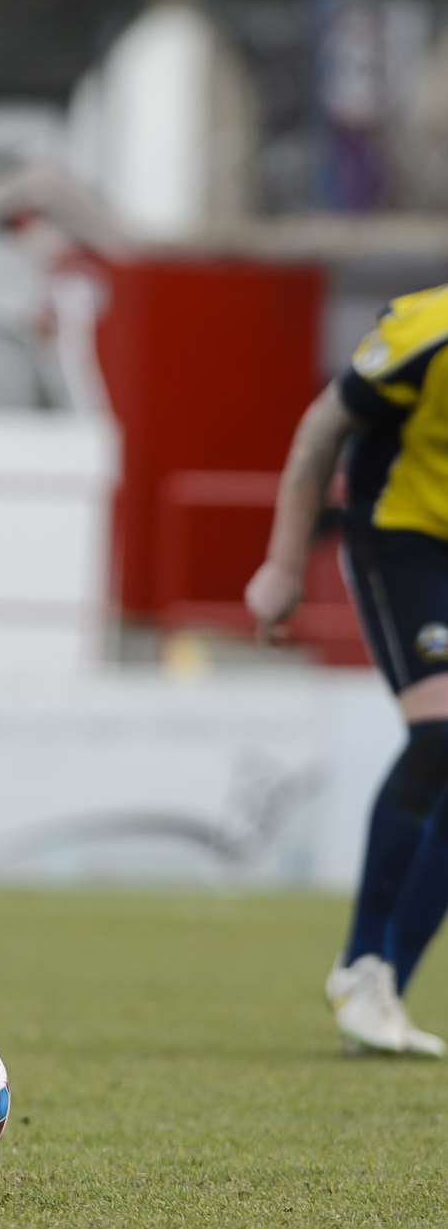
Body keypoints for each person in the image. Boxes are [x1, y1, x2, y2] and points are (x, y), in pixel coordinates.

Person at [246, 282, 448, 1058]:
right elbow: (321, 429)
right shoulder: (426, 330)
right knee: (441, 731)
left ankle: (383, 985)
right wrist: (284, 564)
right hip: (402, 537)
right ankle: (363, 963)